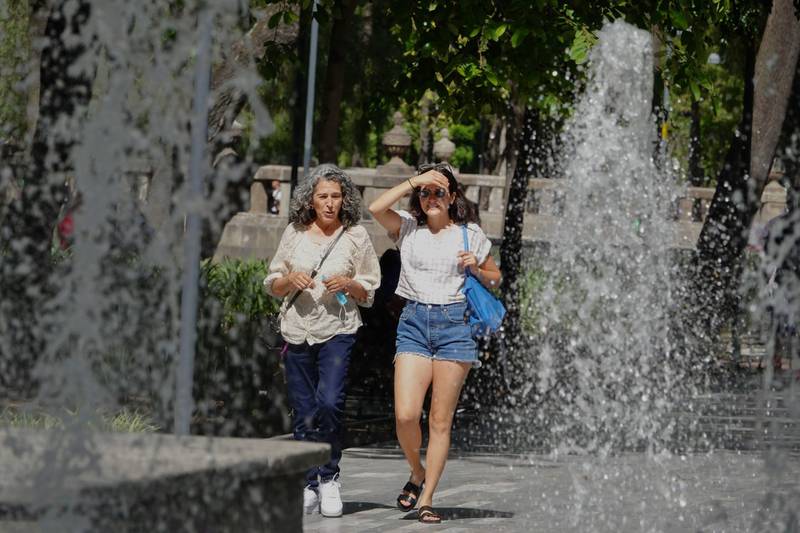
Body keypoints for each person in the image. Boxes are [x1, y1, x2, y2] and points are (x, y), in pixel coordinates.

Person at [368, 162, 501, 524]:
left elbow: (495, 277)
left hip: (455, 327)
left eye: (439, 191)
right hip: (414, 323)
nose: (431, 198)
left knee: (440, 421)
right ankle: (417, 471)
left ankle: (427, 499)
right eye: (425, 192)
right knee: (406, 415)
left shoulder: (469, 234)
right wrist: (415, 180)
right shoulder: (408, 228)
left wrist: (477, 268)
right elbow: (375, 208)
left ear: (452, 197)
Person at [264, 164, 380, 517]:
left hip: (338, 330)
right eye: (323, 196)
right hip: (297, 330)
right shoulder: (294, 232)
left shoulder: (356, 235)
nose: (330, 203)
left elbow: (370, 289)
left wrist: (349, 284)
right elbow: (273, 283)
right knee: (304, 411)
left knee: (329, 403)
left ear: (344, 199)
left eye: (336, 196)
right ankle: (307, 483)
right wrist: (290, 281)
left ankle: (329, 478)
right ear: (310, 200)